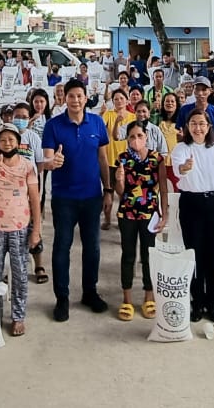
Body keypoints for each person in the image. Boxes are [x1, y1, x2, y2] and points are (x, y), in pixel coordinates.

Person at [41, 79, 112, 322]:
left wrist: (109, 189)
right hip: (64, 199)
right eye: (71, 96)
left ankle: (90, 292)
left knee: (92, 247)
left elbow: (103, 159)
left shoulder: (97, 123)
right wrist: (52, 163)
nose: (75, 100)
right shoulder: (53, 126)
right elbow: (48, 159)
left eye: (79, 96)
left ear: (85, 98)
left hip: (92, 197)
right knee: (62, 247)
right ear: (64, 98)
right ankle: (62, 298)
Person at [170, 109, 214, 324]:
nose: (198, 128)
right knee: (194, 255)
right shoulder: (181, 148)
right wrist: (185, 167)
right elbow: (179, 170)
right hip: (192, 203)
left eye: (202, 124)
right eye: (194, 123)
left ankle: (212, 303)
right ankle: (196, 302)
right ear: (187, 126)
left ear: (209, 127)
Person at [0, 123, 42, 336]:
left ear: (18, 142)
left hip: (20, 227)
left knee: (19, 273)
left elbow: (35, 198)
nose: (7, 143)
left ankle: (18, 317)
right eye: (3, 140)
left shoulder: (27, 166)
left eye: (11, 139)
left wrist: (36, 230)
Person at [114, 122, 166, 322]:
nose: (136, 140)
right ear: (127, 139)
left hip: (149, 215)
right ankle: (126, 299)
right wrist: (119, 180)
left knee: (148, 255)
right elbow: (121, 192)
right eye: (132, 137)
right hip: (127, 214)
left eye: (139, 135)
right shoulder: (123, 159)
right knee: (128, 255)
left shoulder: (156, 159)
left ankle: (148, 296)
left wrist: (165, 214)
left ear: (146, 137)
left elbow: (162, 187)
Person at [10, 103, 50, 284]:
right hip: (9, 194)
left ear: (29, 119)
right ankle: (12, 268)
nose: (21, 120)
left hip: (30, 191)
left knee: (34, 227)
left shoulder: (32, 137)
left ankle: (38, 265)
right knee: (10, 232)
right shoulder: (6, 136)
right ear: (11, 117)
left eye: (24, 117)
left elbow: (40, 164)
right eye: (17, 116)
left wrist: (34, 185)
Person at [101, 89, 133, 231]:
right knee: (108, 192)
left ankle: (122, 220)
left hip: (126, 162)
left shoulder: (133, 117)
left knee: (124, 194)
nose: (119, 101)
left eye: (121, 98)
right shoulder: (108, 115)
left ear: (127, 100)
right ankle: (107, 219)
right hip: (109, 159)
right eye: (116, 99)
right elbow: (101, 130)